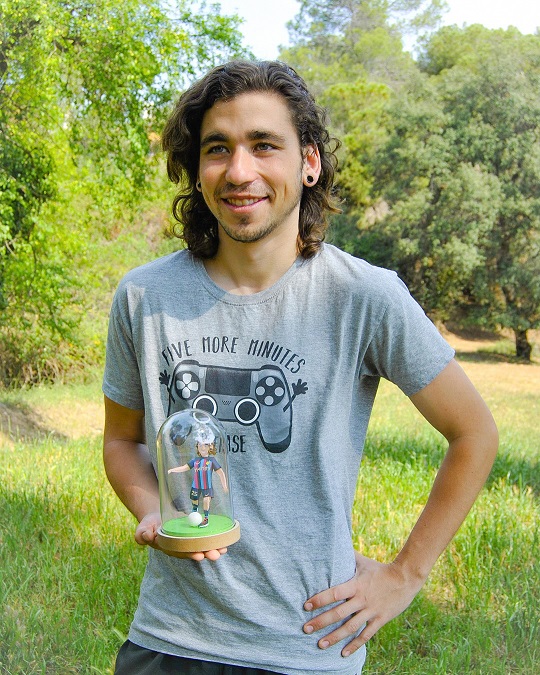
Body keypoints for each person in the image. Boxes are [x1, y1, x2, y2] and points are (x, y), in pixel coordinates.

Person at [103, 60, 498, 675]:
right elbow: (121, 440)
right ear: (197, 169)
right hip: (169, 640)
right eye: (217, 149)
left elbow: (474, 433)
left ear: (308, 162)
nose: (240, 172)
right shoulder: (143, 297)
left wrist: (405, 575)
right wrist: (152, 509)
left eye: (264, 145)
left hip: (307, 648)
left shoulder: (363, 296)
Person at [168, 431, 228, 528]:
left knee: (206, 501)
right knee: (194, 499)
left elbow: (221, 473)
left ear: (210, 447)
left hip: (206, 486)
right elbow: (184, 467)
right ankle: (194, 512)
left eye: (205, 445)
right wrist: (172, 470)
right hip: (195, 486)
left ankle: (206, 518)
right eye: (200, 445)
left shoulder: (211, 461)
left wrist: (224, 485)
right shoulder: (195, 461)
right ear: (197, 448)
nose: (202, 447)